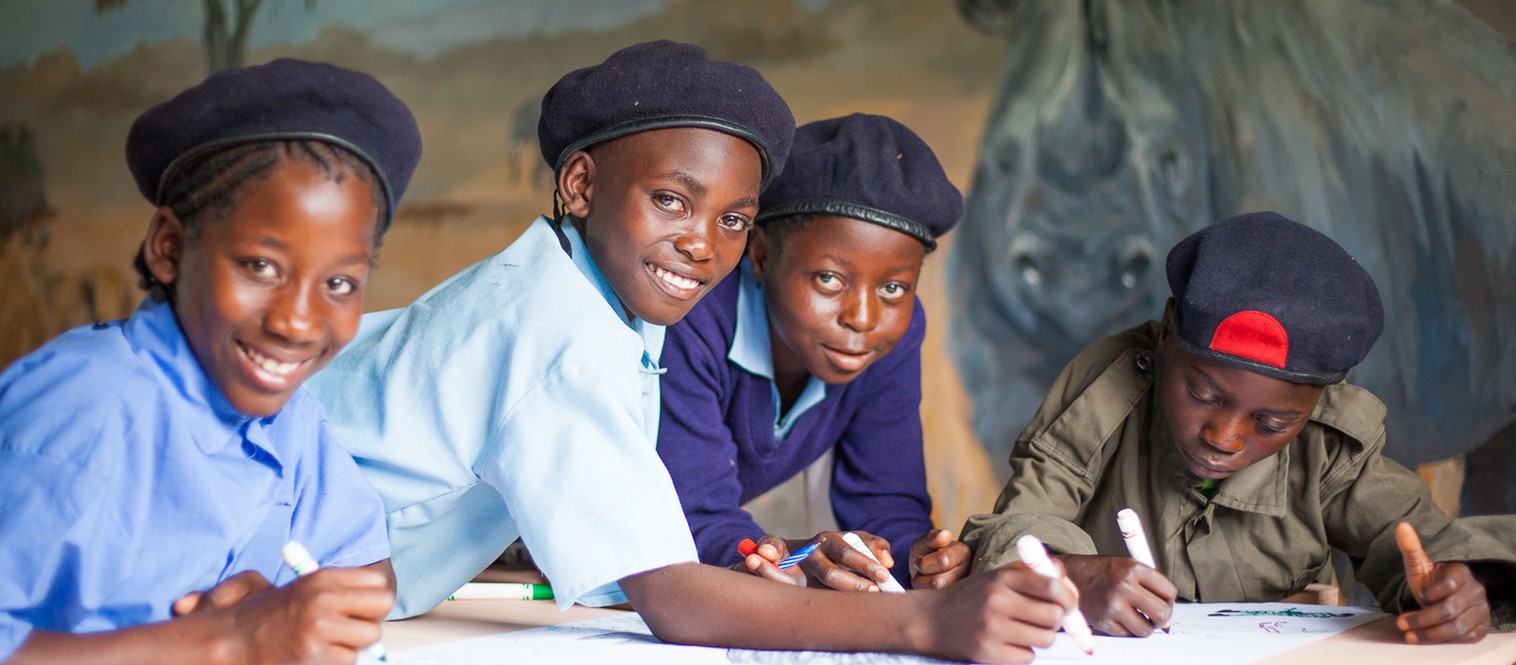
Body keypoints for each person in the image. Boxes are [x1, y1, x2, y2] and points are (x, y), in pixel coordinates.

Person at [306, 41, 1075, 663]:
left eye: (734, 219)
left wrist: (800, 562)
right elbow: (675, 597)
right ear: (579, 184)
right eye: (671, 199)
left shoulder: (593, 298)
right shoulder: (561, 330)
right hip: (270, 576)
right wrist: (925, 624)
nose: (703, 245)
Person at [961, 211, 1516, 644]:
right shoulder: (1104, 393)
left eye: (1273, 422)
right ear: (1168, 334)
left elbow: (1419, 544)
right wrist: (1069, 574)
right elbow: (1023, 518)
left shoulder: (1330, 445)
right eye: (1202, 393)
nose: (1226, 435)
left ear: (1317, 404)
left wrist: (1464, 586)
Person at [0, 58, 422, 663]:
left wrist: (280, 605)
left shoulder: (290, 417)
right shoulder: (88, 406)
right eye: (260, 266)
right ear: (169, 246)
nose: (297, 322)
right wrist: (225, 639)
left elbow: (369, 577)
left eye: (340, 284)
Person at [657, 113, 971, 592]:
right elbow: (689, 511)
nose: (862, 317)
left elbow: (884, 499)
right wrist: (789, 559)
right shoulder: (695, 313)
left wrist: (914, 557)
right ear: (760, 255)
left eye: (893, 287)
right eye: (829, 278)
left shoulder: (890, 339)